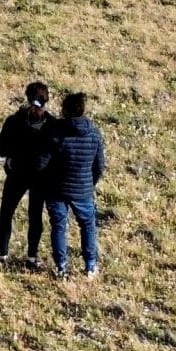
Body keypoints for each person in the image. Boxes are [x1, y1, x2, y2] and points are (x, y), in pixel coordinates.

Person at [0, 81, 53, 265]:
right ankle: (32, 257)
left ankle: (2, 254)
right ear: (46, 100)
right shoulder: (52, 124)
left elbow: (0, 150)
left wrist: (13, 154)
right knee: (35, 216)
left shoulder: (13, 120)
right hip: (41, 176)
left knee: (6, 213)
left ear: (27, 97)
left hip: (16, 173)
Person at [45, 92, 105, 278]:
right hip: (83, 190)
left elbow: (44, 163)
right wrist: (89, 184)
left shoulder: (56, 133)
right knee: (88, 226)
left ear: (64, 110)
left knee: (59, 226)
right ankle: (90, 265)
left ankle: (61, 267)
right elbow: (99, 166)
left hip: (57, 189)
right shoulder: (94, 133)